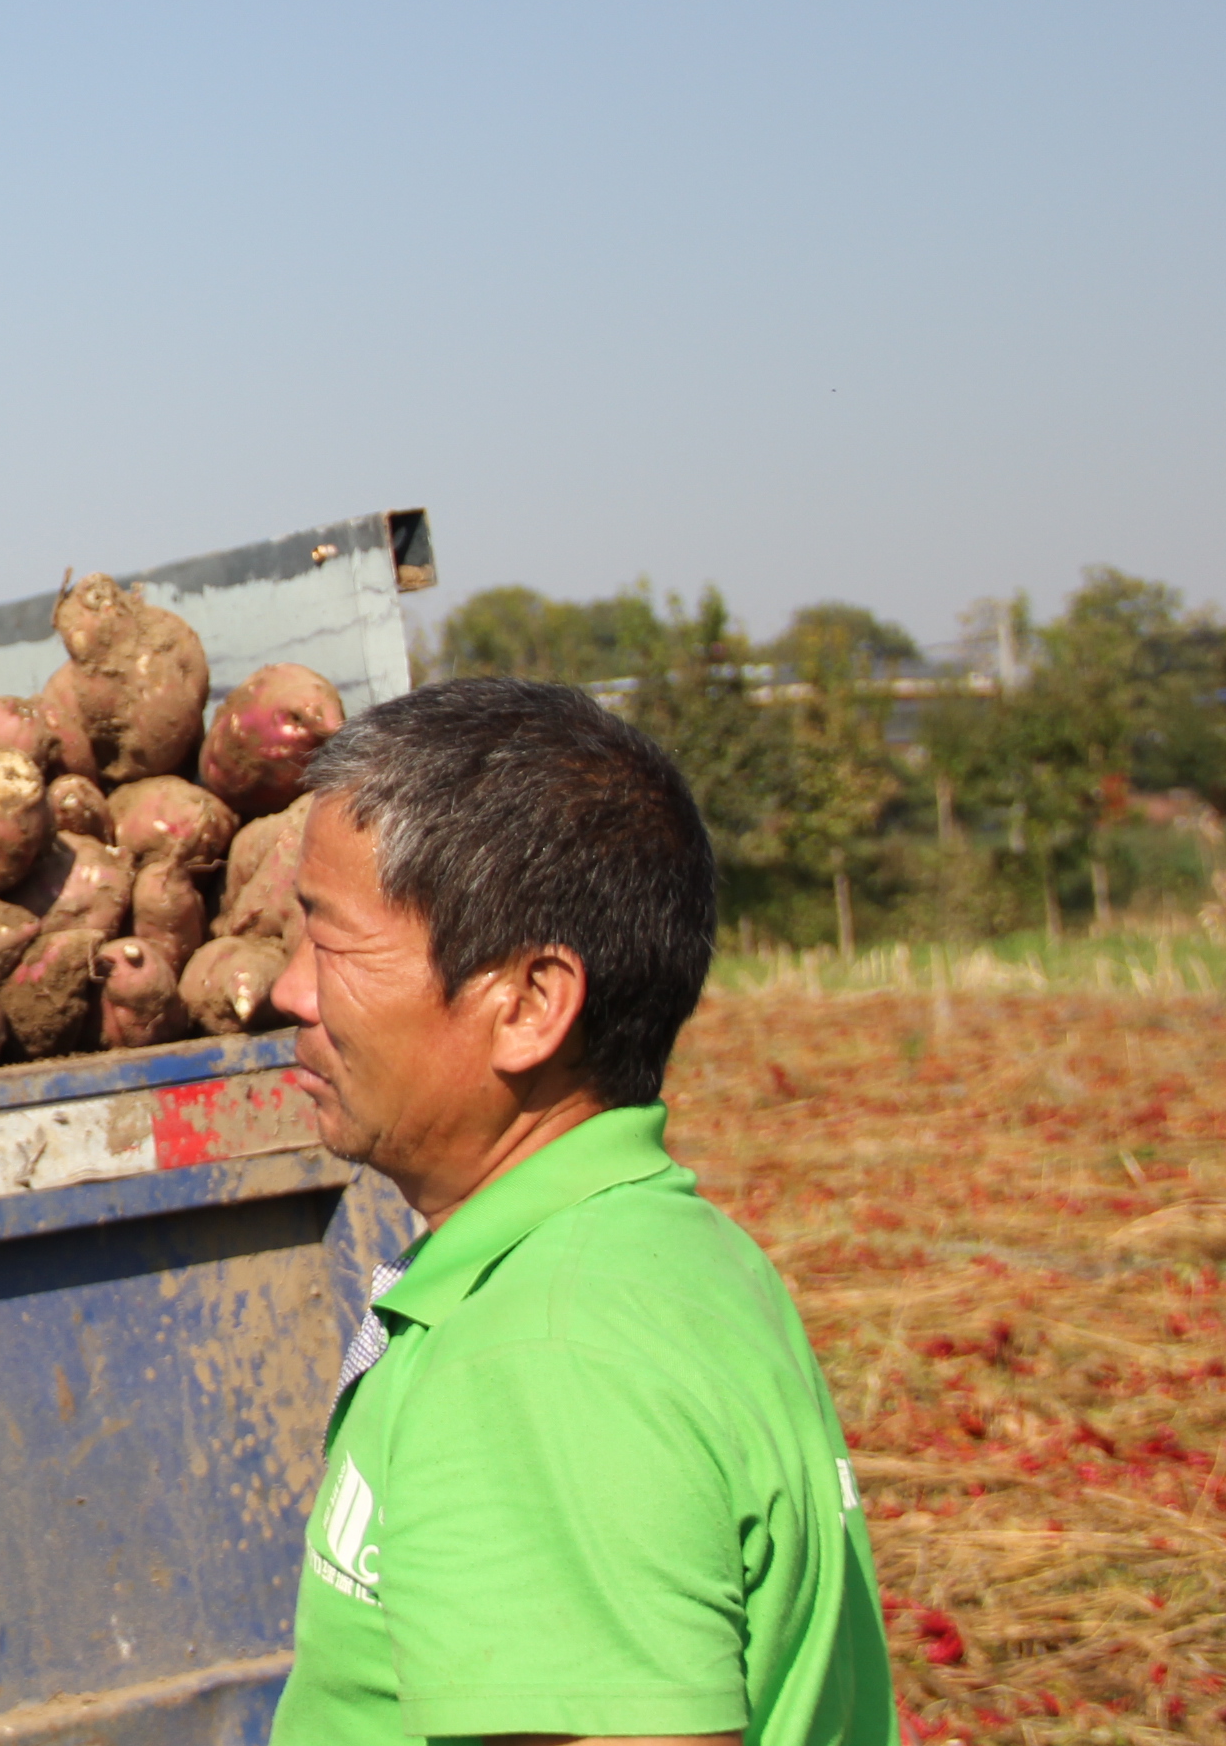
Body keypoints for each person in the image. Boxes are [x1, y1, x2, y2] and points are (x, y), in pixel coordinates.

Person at [267, 677, 893, 1745]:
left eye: (330, 943)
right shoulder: (671, 1249)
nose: (286, 991)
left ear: (528, 1004)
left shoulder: (544, 1356)